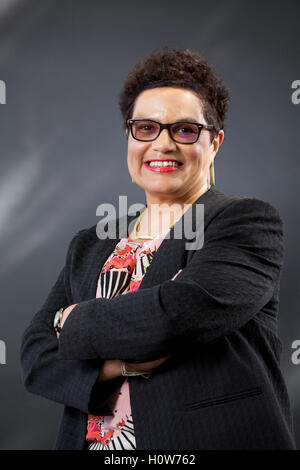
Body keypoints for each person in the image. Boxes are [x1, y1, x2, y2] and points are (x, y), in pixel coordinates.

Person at [20, 46, 296, 450]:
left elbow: (175, 316)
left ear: (214, 143)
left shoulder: (246, 221)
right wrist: (118, 364)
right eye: (146, 128)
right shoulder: (90, 243)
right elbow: (34, 356)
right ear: (129, 138)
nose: (162, 145)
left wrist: (70, 320)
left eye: (184, 130)